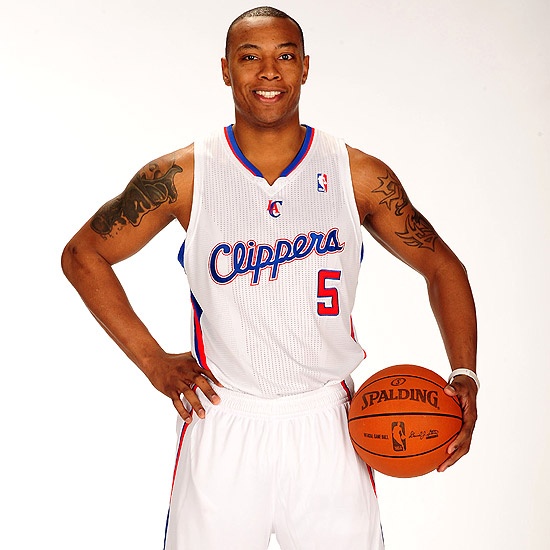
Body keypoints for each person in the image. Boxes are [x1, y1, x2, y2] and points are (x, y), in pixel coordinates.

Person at [62, 6, 478, 550]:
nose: (268, 73)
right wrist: (152, 360)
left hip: (330, 423)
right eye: (249, 57)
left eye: (284, 56)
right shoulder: (185, 175)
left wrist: (465, 375)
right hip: (224, 420)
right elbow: (83, 254)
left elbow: (443, 266)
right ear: (225, 69)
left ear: (305, 67)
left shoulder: (357, 175)